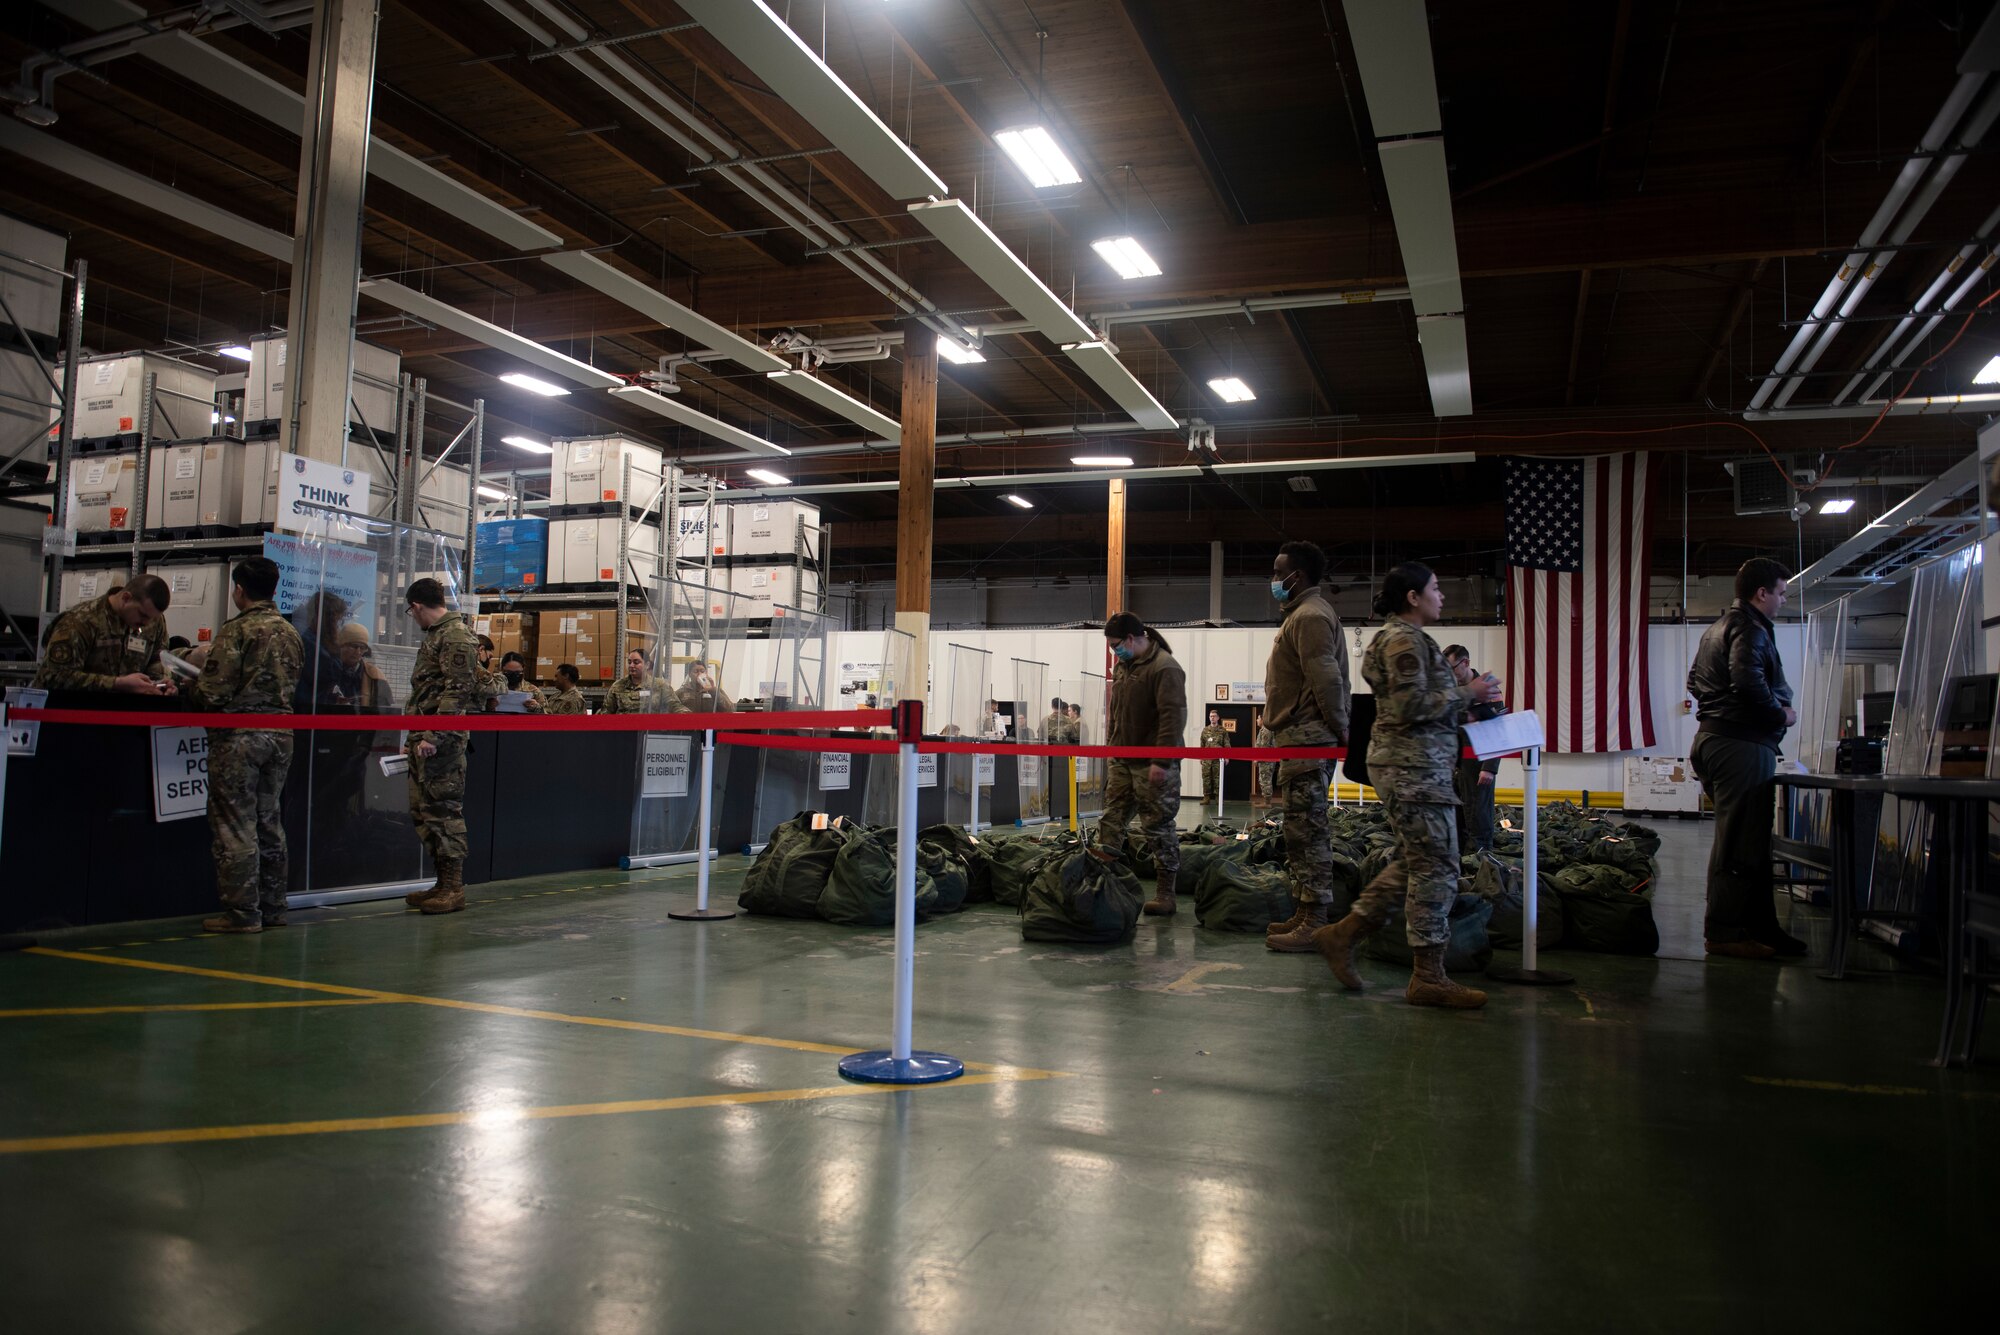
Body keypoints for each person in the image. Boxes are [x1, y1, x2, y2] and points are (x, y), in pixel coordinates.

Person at [1315, 562, 1504, 1008]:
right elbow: (1409, 705)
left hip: (1419, 767)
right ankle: (1428, 976)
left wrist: (1467, 705)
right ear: (1413, 597)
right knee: (1437, 865)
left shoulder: (1413, 640)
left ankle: (1343, 935)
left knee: (1418, 860)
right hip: (1411, 769)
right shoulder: (1402, 639)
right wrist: (1468, 694)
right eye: (1435, 589)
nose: (1443, 596)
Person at [1687, 557, 1799, 959]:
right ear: (1762, 593)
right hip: (1740, 745)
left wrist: (1722, 711)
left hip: (1719, 741)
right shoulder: (1749, 629)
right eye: (1782, 592)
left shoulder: (1715, 629)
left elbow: (1694, 682)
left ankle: (1758, 927)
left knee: (1744, 840)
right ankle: (1726, 933)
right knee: (1739, 843)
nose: (1784, 600)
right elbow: (1747, 678)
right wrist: (1779, 714)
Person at [186, 558, 303, 933]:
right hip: (280, 736)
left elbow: (214, 691)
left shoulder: (236, 630)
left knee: (235, 823)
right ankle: (274, 907)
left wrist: (188, 684)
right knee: (269, 820)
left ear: (239, 589)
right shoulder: (290, 632)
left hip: (239, 737)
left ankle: (242, 913)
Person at [1259, 541, 1355, 952]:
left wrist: (1341, 730)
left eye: (1279, 572)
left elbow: (1327, 681)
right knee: (1299, 832)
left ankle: (1315, 921)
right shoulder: (1301, 614)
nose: (1274, 580)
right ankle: (1304, 912)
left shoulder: (1311, 615)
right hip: (1298, 738)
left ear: (1297, 577)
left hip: (1310, 739)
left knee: (1310, 832)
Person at [1088, 612, 1188, 915]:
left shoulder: (1164, 667)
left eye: (1115, 645)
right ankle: (1107, 884)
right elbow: (1116, 714)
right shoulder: (1124, 666)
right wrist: (1112, 751)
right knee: (1111, 820)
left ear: (1132, 639)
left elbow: (1173, 718)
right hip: (1122, 759)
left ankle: (1166, 894)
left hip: (1153, 764)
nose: (1113, 651)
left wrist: (1162, 761)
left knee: (1157, 827)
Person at [401, 578, 479, 915]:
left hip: (441, 743)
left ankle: (453, 887)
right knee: (425, 811)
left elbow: (458, 690)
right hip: (424, 738)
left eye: (410, 611)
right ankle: (441, 882)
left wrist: (434, 734)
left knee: (444, 812)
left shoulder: (455, 636)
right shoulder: (437, 636)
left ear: (417, 606)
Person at [33, 573, 174, 693]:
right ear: (126, 598)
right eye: (142, 615)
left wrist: (160, 683)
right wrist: (117, 683)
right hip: (73, 713)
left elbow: (157, 657)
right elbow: (54, 677)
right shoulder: (80, 621)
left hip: (126, 715)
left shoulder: (154, 620)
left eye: (152, 618)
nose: (147, 623)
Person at [1443, 644, 1504, 853]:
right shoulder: (1453, 690)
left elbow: (1498, 728)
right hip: (1455, 764)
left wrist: (1490, 767)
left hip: (1478, 764)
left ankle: (1482, 867)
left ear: (1465, 663)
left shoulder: (1487, 687)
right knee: (1456, 823)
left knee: (1479, 819)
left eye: (1451, 668)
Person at [332, 622, 394, 710]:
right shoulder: (327, 671)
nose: (358, 652)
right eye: (353, 646)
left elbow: (384, 713)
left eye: (362, 648)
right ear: (341, 645)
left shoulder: (375, 676)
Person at [603, 649, 684, 713]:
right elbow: (606, 712)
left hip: (651, 731)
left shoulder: (660, 686)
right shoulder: (617, 686)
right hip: (623, 731)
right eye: (629, 662)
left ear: (647, 665)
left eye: (636, 662)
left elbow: (675, 706)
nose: (631, 665)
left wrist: (689, 718)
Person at [1198, 708, 1230, 802]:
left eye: (1214, 716)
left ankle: (1218, 797)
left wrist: (1227, 757)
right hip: (1207, 759)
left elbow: (1227, 744)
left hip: (1218, 759)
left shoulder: (1222, 730)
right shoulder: (1205, 730)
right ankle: (1206, 797)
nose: (1212, 718)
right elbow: (1202, 745)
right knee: (1206, 777)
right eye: (1211, 716)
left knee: (1218, 778)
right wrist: (1201, 757)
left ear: (1218, 718)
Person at [1252, 710, 1275, 809]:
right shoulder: (1263, 729)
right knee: (1263, 779)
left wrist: (1258, 758)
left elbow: (1264, 747)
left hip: (1266, 760)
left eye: (1258, 718)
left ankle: (1267, 802)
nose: (1257, 720)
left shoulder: (1266, 730)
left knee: (1265, 780)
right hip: (1265, 760)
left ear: (1262, 719)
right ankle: (1266, 800)